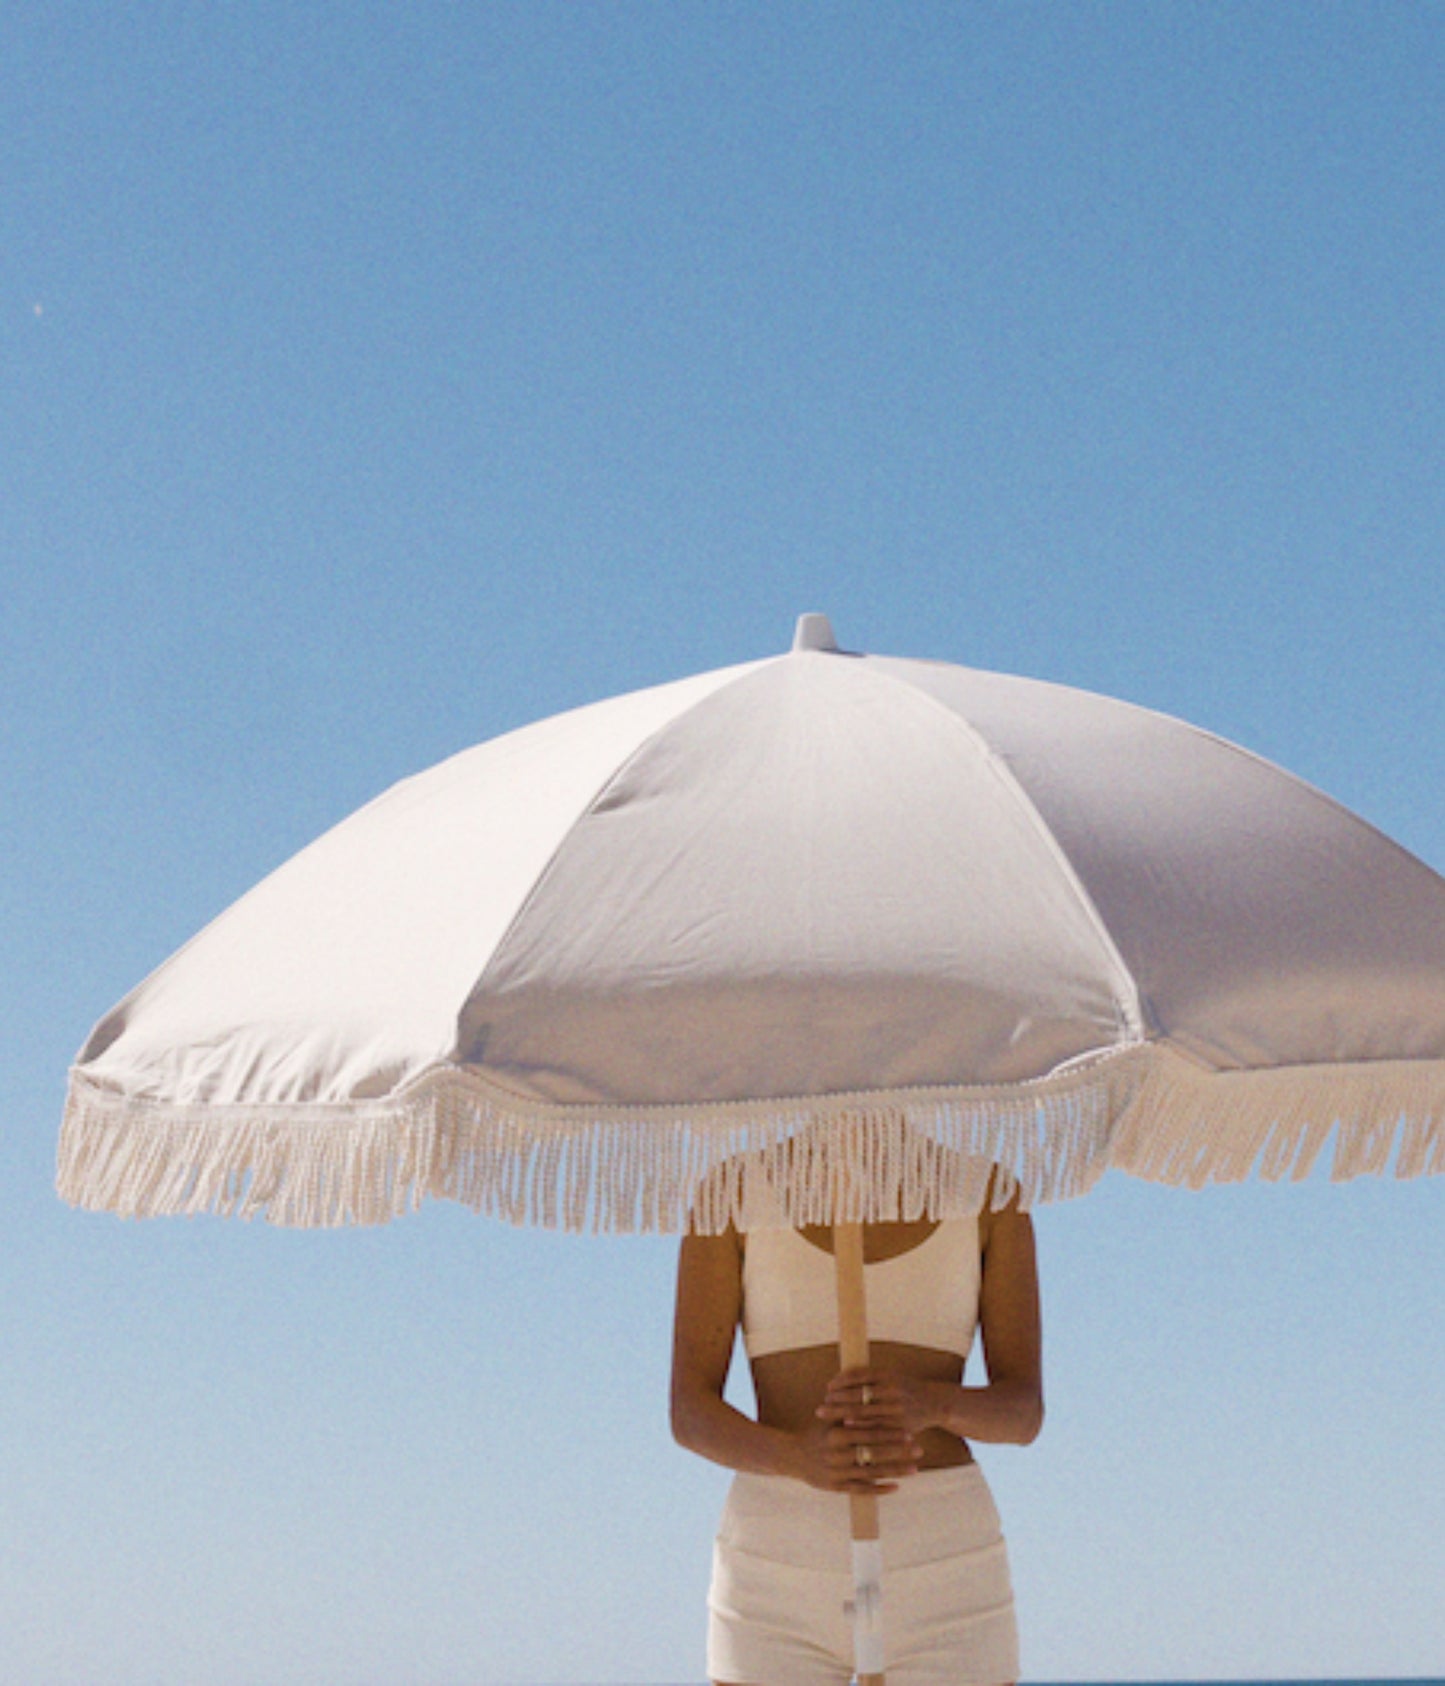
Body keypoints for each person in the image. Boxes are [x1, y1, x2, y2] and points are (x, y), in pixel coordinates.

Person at [670, 1165, 1042, 1686]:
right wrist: (795, 1457)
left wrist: (934, 1403)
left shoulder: (987, 1194)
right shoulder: (734, 1193)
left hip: (946, 1565)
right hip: (775, 1564)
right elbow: (690, 1413)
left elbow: (1023, 1412)